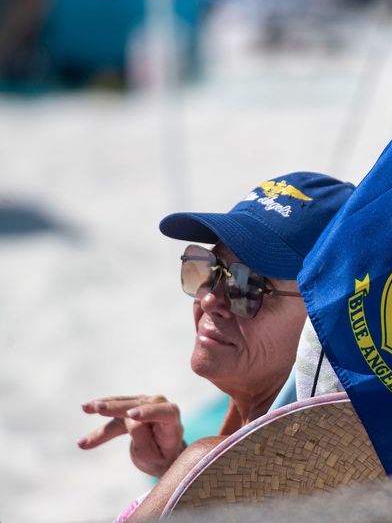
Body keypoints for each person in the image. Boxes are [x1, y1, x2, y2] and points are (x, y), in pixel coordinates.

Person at [78, 172, 354, 521]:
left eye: (248, 285)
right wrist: (179, 475)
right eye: (212, 270)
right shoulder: (323, 472)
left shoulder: (211, 460)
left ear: (322, 317)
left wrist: (196, 474)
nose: (210, 299)